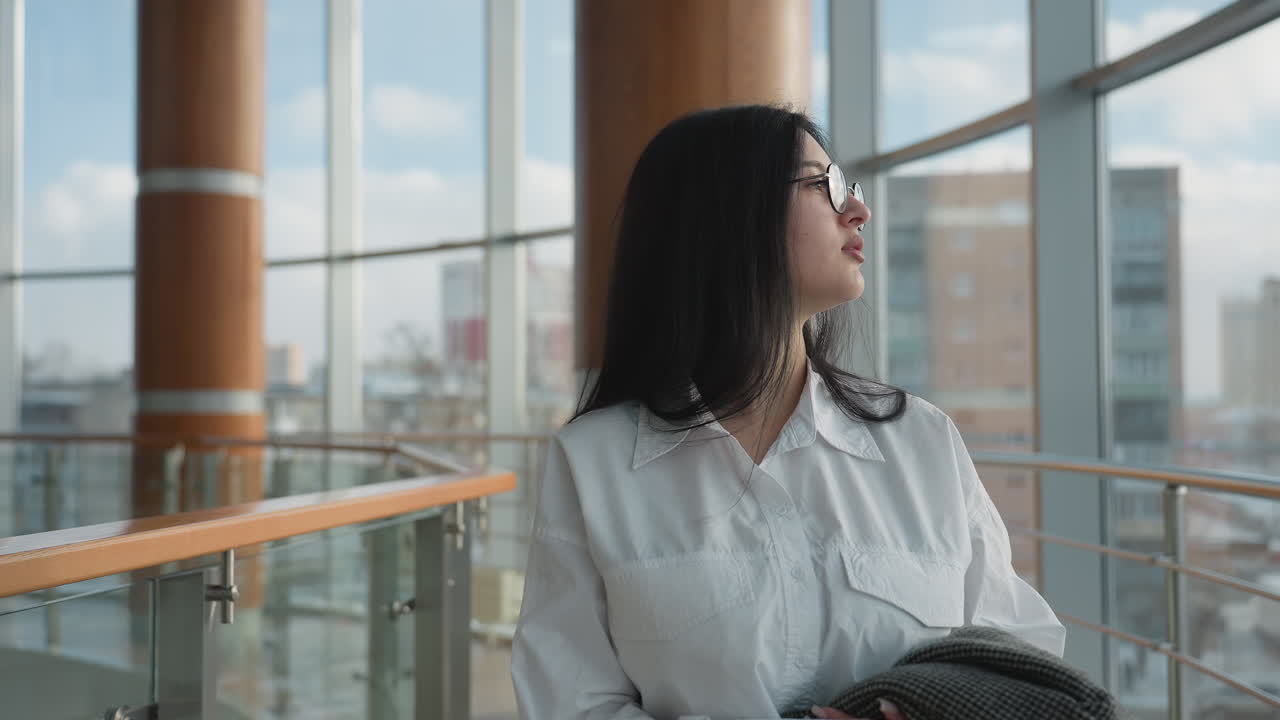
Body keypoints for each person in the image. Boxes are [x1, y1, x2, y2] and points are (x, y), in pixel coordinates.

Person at [511, 104, 1065, 720]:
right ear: (725, 213)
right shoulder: (594, 463)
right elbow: (570, 702)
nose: (858, 211)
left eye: (849, 186)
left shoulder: (921, 439)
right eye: (825, 186)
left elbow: (1020, 652)